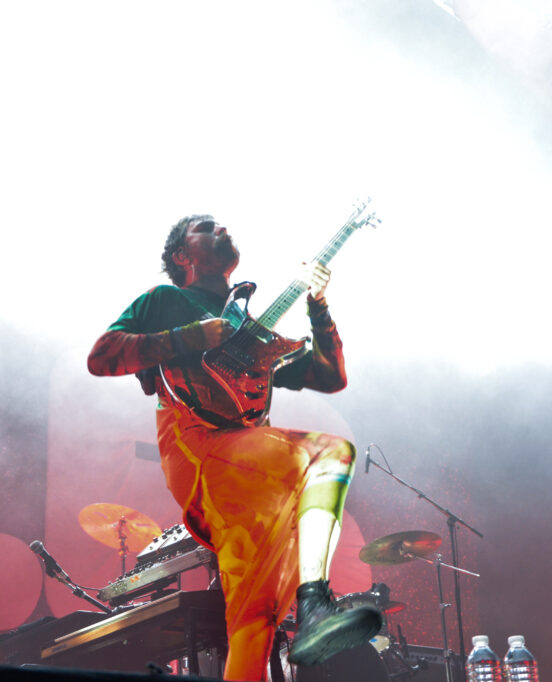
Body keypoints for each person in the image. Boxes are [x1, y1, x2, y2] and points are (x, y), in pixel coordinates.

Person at [87, 215, 382, 681]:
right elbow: (101, 357)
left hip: (249, 489)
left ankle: (293, 622)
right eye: (206, 227)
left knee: (254, 623)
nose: (221, 227)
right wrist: (196, 336)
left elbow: (331, 377)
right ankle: (315, 603)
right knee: (328, 453)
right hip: (200, 446)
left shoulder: (254, 331)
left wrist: (319, 308)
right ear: (183, 256)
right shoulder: (165, 300)